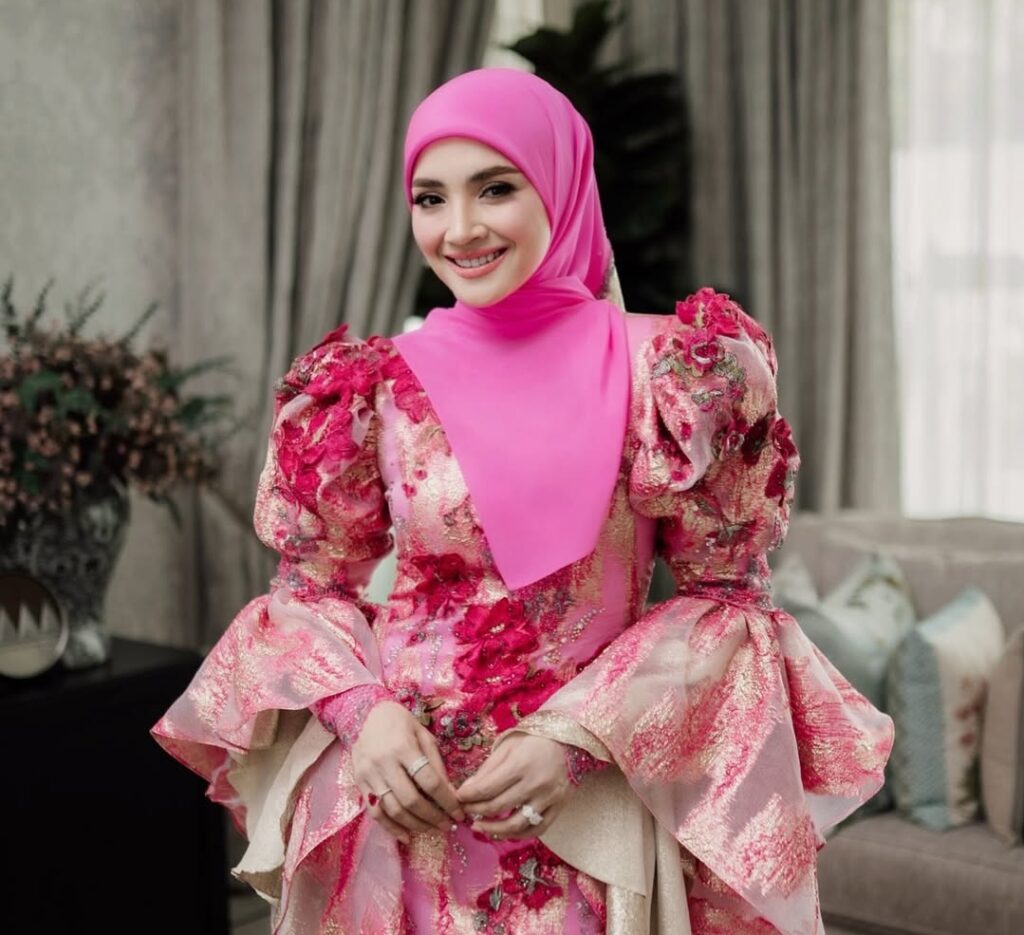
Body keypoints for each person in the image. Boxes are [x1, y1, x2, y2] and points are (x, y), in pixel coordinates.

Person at [152, 68, 893, 935]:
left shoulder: (677, 372)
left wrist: (577, 738)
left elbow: (726, 605)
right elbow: (307, 590)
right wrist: (364, 713)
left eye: (496, 188)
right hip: (400, 810)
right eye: (430, 198)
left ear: (561, 186)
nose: (460, 228)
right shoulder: (368, 387)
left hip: (584, 822)